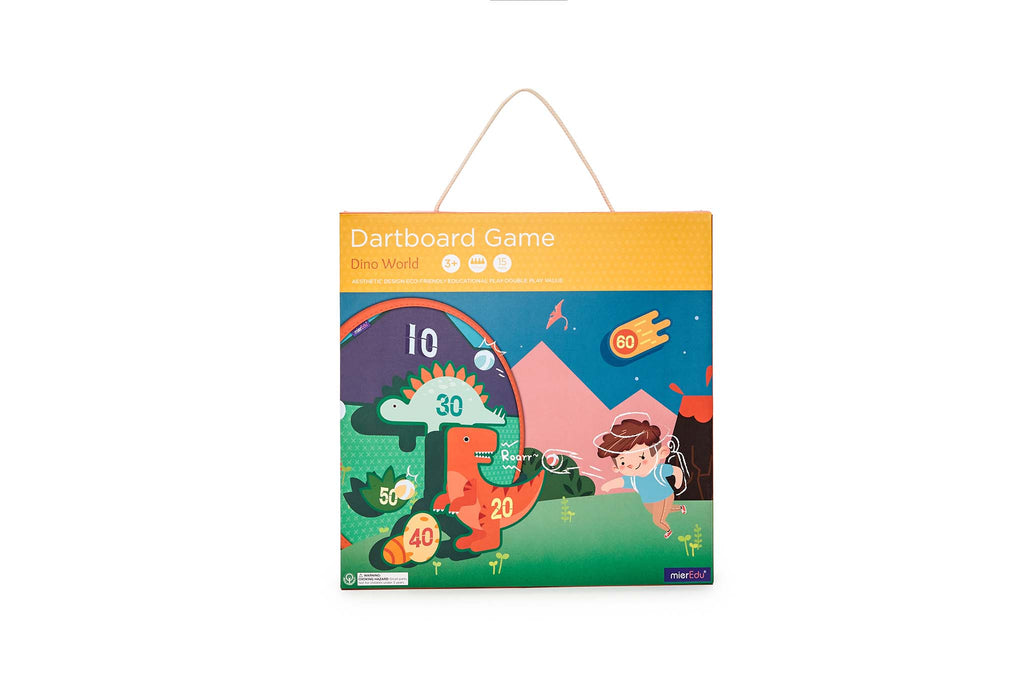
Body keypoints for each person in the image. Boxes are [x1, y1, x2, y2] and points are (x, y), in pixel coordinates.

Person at [597, 417, 686, 538]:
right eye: (623, 462)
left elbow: (676, 470)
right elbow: (621, 481)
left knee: (658, 520)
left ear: (661, 453)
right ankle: (681, 508)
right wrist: (609, 485)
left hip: (664, 496)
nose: (632, 464)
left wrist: (678, 483)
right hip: (649, 501)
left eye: (642, 457)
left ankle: (668, 530)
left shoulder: (657, 471)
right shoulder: (634, 479)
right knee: (662, 511)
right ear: (616, 468)